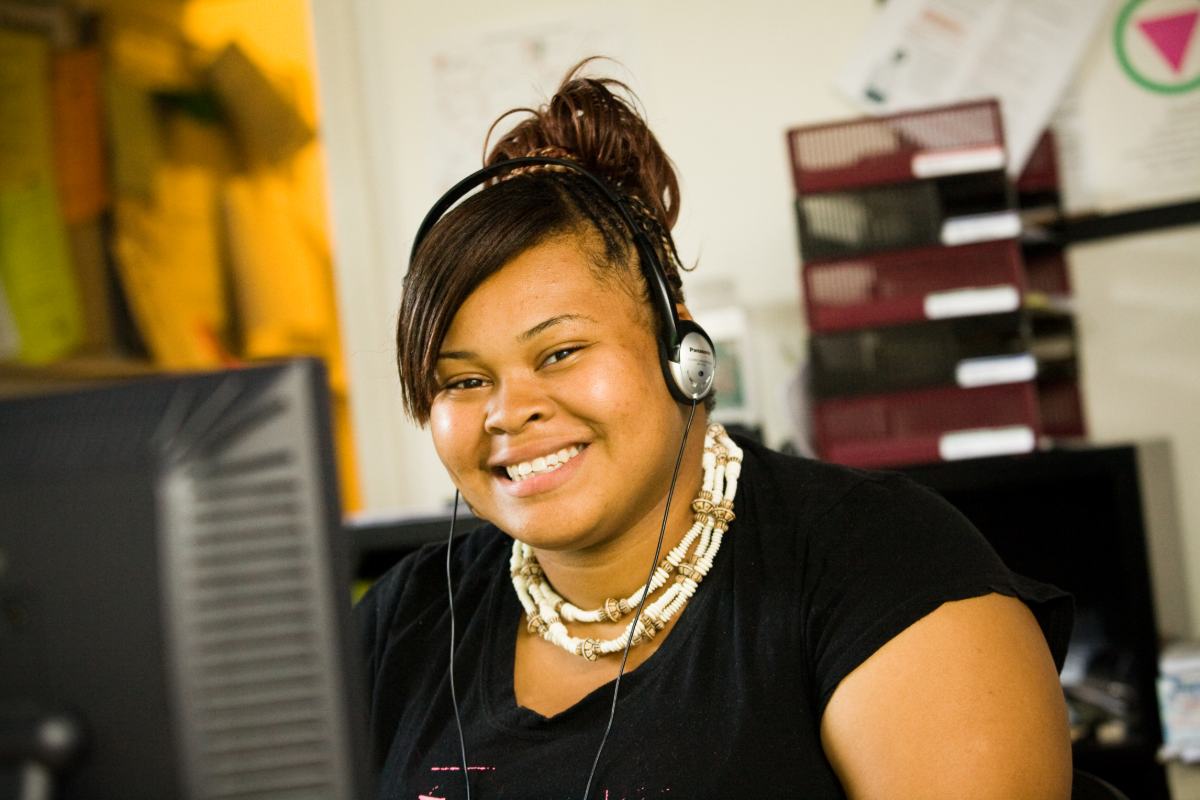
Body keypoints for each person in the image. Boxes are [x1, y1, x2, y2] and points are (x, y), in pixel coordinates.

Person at [356, 60, 1074, 799]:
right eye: (464, 381)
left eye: (560, 353)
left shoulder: (884, 568)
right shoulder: (401, 624)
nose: (508, 411)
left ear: (683, 354)